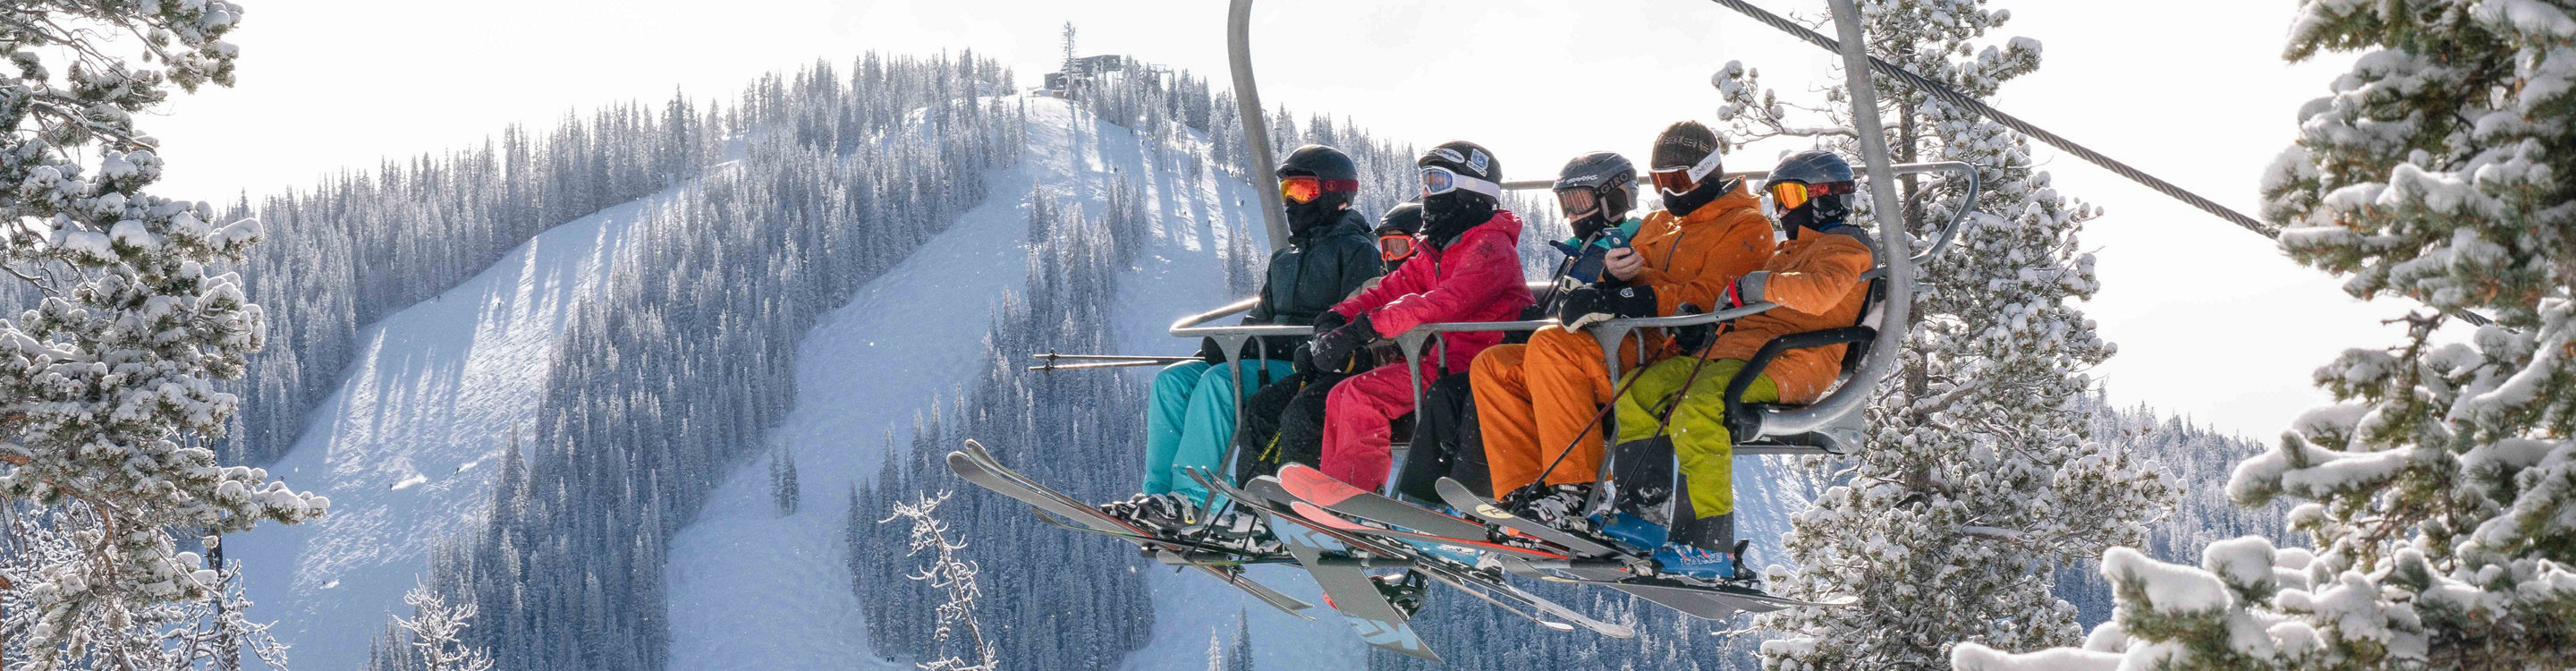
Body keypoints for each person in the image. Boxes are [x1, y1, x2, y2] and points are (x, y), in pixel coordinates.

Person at [1469, 124, 1775, 527]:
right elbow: (1626, 275)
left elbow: (1712, 296)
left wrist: (1631, 297)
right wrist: (1611, 279)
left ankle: (1575, 489)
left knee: (1551, 347)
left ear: (1706, 173)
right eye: (1660, 182)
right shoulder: (1659, 223)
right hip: (1626, 341)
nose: (1669, 192)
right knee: (1494, 365)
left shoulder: (1745, 226)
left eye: (1678, 181)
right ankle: (1525, 492)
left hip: (1673, 353)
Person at [1609, 149, 1875, 580]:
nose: (1783, 209)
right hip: (1737, 354)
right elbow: (1751, 305)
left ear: (1826, 196)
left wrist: (1757, 283)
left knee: (1698, 406)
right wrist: (1703, 323)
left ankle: (1706, 543)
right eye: (1777, 198)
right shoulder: (1791, 250)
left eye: (1791, 196)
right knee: (1640, 389)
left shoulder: (1845, 247)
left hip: (1790, 361)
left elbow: (1820, 293)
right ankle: (1643, 513)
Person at [1099, 144, 1381, 539]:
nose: (1291, 201)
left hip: (1309, 365)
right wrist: (1227, 344)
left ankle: (1192, 501)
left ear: (1335, 194)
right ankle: (1158, 497)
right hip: (1266, 359)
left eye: (1303, 190)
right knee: (1174, 380)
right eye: (1287, 190)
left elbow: (1349, 318)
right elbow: (1261, 317)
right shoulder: (1285, 258)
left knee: (1220, 383)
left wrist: (1266, 348)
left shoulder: (1358, 252)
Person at [1304, 140, 1535, 493]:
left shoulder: (1491, 247)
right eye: (1424, 183)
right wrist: (1336, 317)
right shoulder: (1434, 252)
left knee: (1363, 398)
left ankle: (1356, 493)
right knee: (1343, 394)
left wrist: (1366, 328)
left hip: (1481, 364)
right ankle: (1341, 492)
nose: (1427, 195)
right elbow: (1387, 290)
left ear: (1472, 190)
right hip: (1439, 362)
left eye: (1437, 182)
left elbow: (1443, 302)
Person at [1228, 200, 1423, 485]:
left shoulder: (1426, 288)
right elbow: (1344, 316)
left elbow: (1413, 346)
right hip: (1347, 373)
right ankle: (1254, 496)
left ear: (1421, 247)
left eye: (1398, 246)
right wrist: (1318, 347)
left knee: (1306, 412)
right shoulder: (1377, 286)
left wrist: (1360, 357)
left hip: (1381, 379)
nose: (1390, 257)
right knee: (1265, 405)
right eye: (1385, 247)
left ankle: (1303, 494)